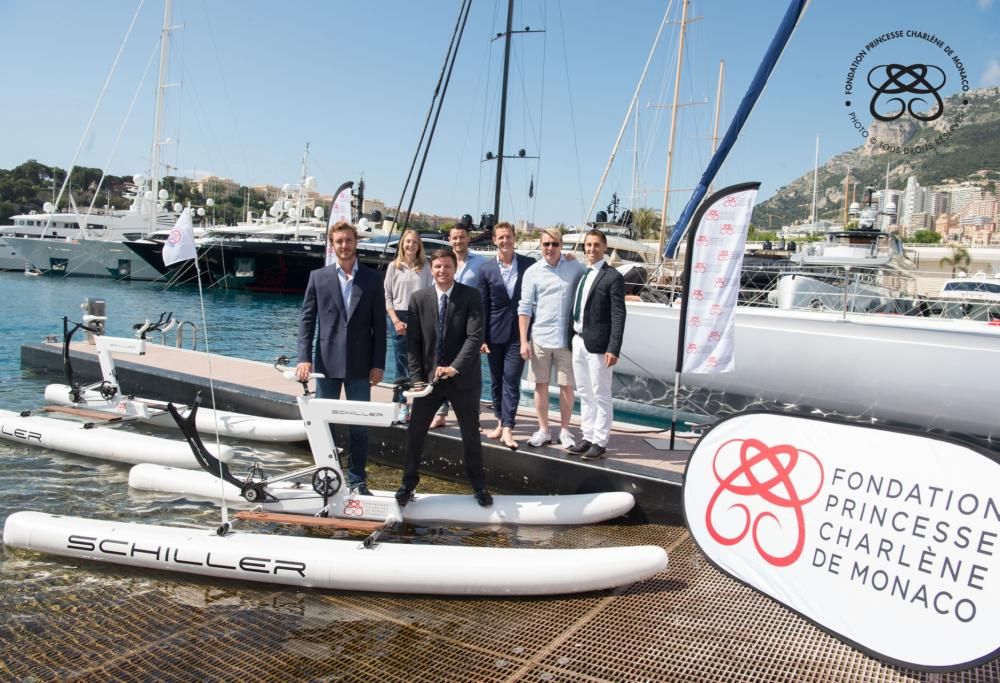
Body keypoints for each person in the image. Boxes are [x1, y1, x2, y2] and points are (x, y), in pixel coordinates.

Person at [396, 249, 492, 507]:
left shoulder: (470, 296)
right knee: (415, 433)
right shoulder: (418, 299)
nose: (442, 271)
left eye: (447, 266)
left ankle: (479, 486)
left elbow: (475, 337)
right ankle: (407, 483)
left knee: (471, 435)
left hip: (462, 379)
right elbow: (413, 344)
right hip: (428, 381)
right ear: (431, 268)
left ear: (454, 268)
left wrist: (454, 367)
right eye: (437, 266)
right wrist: (417, 378)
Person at [296, 221, 386, 496]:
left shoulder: (372, 279)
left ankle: (358, 481)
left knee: (359, 427)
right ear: (332, 245)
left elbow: (379, 325)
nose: (344, 246)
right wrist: (304, 358)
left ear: (355, 242)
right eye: (339, 241)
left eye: (348, 240)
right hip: (326, 363)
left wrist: (378, 363)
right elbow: (307, 320)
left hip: (361, 365)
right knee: (326, 426)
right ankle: (328, 479)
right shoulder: (318, 277)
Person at [517, 228, 584, 450]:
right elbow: (524, 308)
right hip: (540, 339)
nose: (550, 248)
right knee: (540, 385)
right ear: (541, 245)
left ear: (561, 245)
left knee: (567, 387)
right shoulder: (533, 272)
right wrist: (524, 341)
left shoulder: (575, 267)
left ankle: (565, 431)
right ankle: (544, 430)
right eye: (546, 244)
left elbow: (589, 286)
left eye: (555, 244)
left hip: (566, 339)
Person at [566, 229, 626, 460]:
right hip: (579, 340)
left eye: (596, 245)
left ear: (605, 248)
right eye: (588, 245)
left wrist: (614, 347)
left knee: (601, 393)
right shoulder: (583, 274)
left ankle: (600, 442)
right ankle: (588, 436)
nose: (591, 249)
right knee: (584, 392)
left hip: (600, 345)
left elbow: (619, 315)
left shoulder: (613, 277)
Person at [478, 221, 535, 450]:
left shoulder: (529, 265)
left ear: (514, 238)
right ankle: (501, 422)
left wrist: (569, 259)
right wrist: (481, 337)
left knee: (511, 379)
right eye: (500, 237)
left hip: (519, 334)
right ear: (494, 240)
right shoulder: (486, 270)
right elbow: (482, 305)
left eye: (508, 237)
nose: (505, 241)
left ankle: (509, 428)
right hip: (493, 334)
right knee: (496, 381)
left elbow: (552, 266)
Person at [430, 215, 487, 429]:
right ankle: (441, 413)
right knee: (441, 367)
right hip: (445, 320)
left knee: (471, 372)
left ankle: (473, 417)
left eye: (461, 237)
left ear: (468, 238)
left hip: (470, 322)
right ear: (449, 239)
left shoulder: (481, 263)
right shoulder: (442, 262)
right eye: (454, 238)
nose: (458, 241)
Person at [383, 229, 432, 422]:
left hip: (420, 317)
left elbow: (430, 295)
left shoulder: (426, 267)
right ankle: (400, 405)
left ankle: (422, 406)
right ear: (402, 244)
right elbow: (387, 297)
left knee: (420, 364)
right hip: (398, 317)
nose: (410, 245)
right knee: (401, 363)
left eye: (414, 242)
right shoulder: (393, 267)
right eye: (407, 242)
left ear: (419, 245)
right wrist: (395, 320)